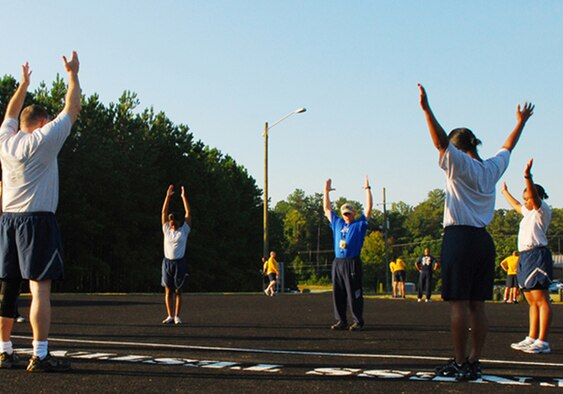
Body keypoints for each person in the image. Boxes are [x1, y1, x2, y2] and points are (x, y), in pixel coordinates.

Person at [418, 83, 533, 381]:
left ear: (458, 148)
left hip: (459, 237)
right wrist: (520, 123)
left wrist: (427, 110)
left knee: (458, 304)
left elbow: (440, 143)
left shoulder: (457, 163)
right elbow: (508, 147)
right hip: (483, 240)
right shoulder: (491, 168)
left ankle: (459, 362)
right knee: (477, 305)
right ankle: (474, 360)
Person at [0, 52, 81, 372]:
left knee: (7, 286)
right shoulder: (42, 140)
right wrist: (72, 74)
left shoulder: (5, 141)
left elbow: (10, 112)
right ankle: (40, 354)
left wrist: (23, 85)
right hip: (37, 220)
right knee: (39, 289)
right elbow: (72, 108)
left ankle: (4, 350)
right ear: (43, 124)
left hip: (8, 220)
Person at [501, 160, 553, 354]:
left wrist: (527, 176)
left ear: (536, 197)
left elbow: (533, 195)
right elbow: (515, 204)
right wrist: (505, 192)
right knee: (531, 300)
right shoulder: (527, 212)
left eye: (528, 198)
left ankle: (543, 340)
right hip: (526, 257)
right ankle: (532, 337)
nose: (525, 202)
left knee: (541, 299)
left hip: (537, 255)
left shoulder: (541, 210)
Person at [323, 176, 372, 331]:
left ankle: (358, 320)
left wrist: (367, 189)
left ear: (353, 213)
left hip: (352, 262)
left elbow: (369, 208)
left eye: (349, 213)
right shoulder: (337, 223)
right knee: (338, 292)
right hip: (338, 262)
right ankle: (341, 320)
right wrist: (326, 191)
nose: (346, 216)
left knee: (354, 293)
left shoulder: (359, 225)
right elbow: (327, 209)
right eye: (344, 213)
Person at [161, 184, 192, 325]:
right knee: (168, 290)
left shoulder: (184, 230)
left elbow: (188, 214)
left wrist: (183, 197)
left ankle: (177, 316)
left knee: (178, 290)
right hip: (167, 262)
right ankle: (170, 315)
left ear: (178, 222)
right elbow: (163, 213)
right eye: (171, 222)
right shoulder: (167, 229)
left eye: (174, 223)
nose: (172, 225)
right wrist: (167, 197)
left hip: (179, 262)